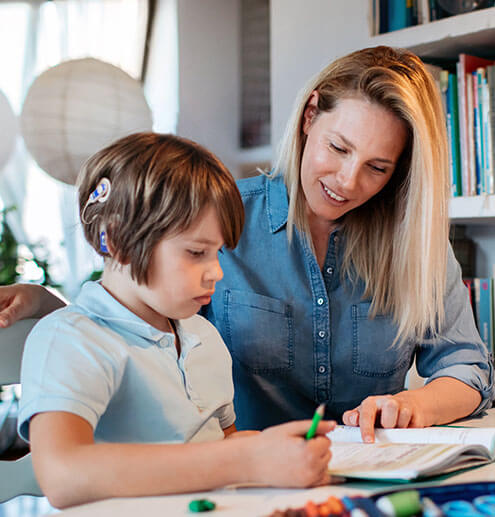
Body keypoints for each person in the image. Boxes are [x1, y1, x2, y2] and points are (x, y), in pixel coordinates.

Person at [5, 46, 494, 442]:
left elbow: (467, 365)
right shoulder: (218, 222)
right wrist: (53, 304)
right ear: (309, 117)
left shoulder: (415, 245)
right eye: (338, 148)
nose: (347, 181)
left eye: (377, 168)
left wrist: (413, 404)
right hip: (239, 476)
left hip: (371, 475)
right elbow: (136, 321)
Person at [17, 133, 334, 509]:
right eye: (196, 252)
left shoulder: (204, 336)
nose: (216, 271)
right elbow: (63, 475)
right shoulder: (72, 340)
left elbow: (221, 444)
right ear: (116, 241)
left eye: (217, 253)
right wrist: (245, 460)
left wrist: (271, 452)